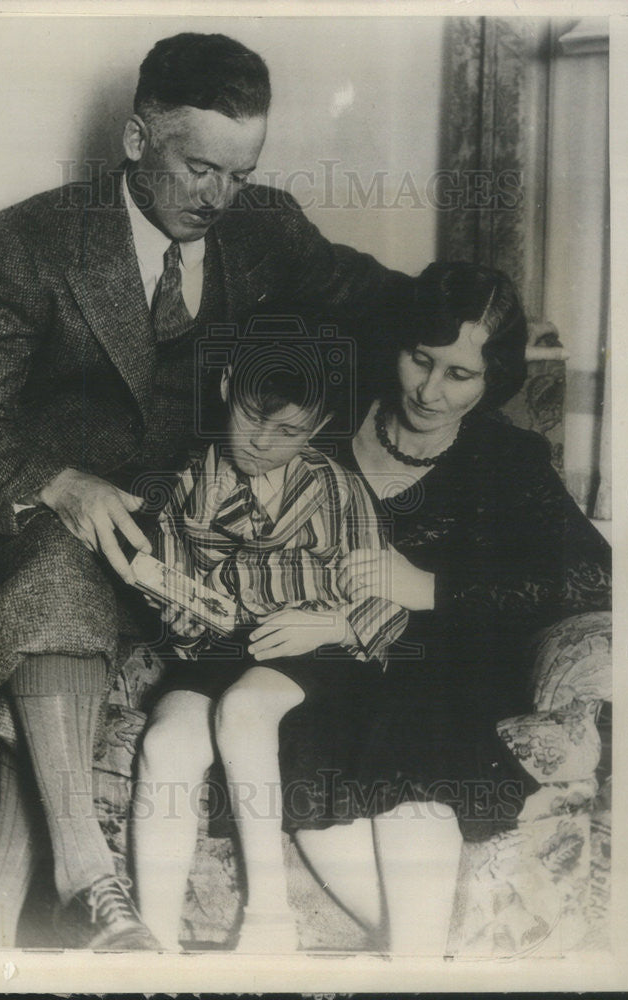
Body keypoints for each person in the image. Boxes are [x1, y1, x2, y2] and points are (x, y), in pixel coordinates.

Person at [0, 32, 411, 950]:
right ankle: (91, 881)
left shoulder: (261, 227)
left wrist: (468, 344)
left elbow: (379, 299)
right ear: (138, 136)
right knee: (60, 574)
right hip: (40, 516)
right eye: (197, 168)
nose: (217, 197)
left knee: (81, 614)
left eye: (238, 172)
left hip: (189, 539)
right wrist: (55, 482)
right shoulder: (30, 244)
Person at [272, 261, 611, 955]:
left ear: (493, 381)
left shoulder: (504, 458)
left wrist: (431, 587)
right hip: (327, 668)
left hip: (445, 675)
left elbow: (593, 575)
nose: (428, 390)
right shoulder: (323, 431)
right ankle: (426, 963)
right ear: (394, 344)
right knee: (299, 751)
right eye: (418, 360)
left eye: (460, 375)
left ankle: (417, 963)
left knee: (408, 755)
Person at [131, 335, 409, 953]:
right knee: (166, 740)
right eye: (253, 420)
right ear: (227, 387)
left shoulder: (337, 489)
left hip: (315, 645)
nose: (263, 442)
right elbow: (178, 612)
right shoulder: (186, 485)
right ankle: (152, 949)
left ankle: (269, 919)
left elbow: (387, 593)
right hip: (220, 648)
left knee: (246, 709)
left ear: (320, 425)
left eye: (288, 431)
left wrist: (337, 625)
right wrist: (170, 595)